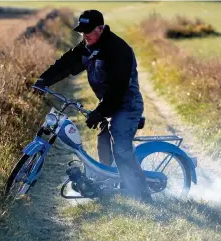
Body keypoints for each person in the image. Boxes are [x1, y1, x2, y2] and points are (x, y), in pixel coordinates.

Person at [34, 9, 151, 202]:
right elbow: (67, 63)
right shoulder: (89, 46)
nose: (84, 35)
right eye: (82, 31)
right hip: (109, 104)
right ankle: (108, 186)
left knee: (120, 147)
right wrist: (44, 80)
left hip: (127, 104)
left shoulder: (117, 50)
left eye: (88, 31)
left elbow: (118, 89)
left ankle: (141, 195)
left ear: (101, 28)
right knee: (103, 144)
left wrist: (100, 112)